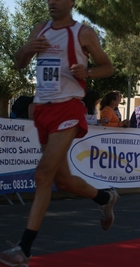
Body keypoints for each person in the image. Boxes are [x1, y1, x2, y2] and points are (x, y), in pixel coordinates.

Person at [0, 1, 116, 266]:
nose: (52, 2)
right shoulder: (39, 29)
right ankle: (105, 197)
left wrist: (87, 72)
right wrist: (28, 48)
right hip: (42, 109)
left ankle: (24, 250)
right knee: (62, 181)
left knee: (43, 174)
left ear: (71, 2)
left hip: (69, 108)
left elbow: (107, 67)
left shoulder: (83, 32)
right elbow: (18, 63)